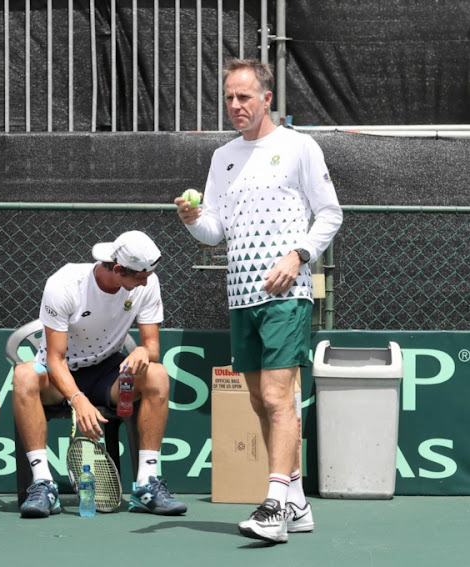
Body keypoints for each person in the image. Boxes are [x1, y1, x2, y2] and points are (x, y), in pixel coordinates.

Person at [175, 58, 343, 544]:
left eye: (244, 97)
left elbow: (330, 214)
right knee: (258, 400)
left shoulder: (299, 147)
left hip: (286, 293)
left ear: (267, 99)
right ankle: (298, 504)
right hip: (240, 296)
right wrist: (191, 218)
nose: (235, 105)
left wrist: (298, 256)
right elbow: (214, 231)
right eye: (229, 97)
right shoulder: (222, 158)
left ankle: (273, 505)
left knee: (276, 397)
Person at [12, 230, 187, 518]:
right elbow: (55, 359)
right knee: (23, 375)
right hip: (59, 373)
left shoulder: (147, 280)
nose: (146, 282)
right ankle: (43, 484)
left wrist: (145, 352)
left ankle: (147, 484)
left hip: (108, 369)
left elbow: (152, 345)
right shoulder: (64, 284)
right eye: (139, 277)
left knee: (156, 374)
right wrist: (79, 400)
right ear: (118, 269)